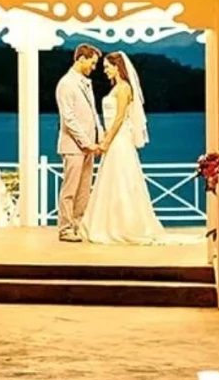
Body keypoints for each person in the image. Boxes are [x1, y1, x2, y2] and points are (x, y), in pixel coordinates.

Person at [82, 51, 166, 245]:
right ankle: (110, 223)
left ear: (117, 67)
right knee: (112, 181)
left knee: (121, 180)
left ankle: (124, 225)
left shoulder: (123, 89)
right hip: (114, 138)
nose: (104, 71)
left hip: (119, 140)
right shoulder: (116, 88)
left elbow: (119, 118)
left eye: (107, 67)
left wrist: (106, 141)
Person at [53, 43, 102, 243]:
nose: (94, 67)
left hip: (89, 146)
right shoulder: (66, 84)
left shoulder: (85, 83)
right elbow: (69, 118)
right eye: (93, 62)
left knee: (84, 189)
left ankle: (78, 224)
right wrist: (86, 142)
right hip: (73, 146)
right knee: (70, 189)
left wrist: (99, 138)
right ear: (81, 58)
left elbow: (92, 113)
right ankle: (65, 228)